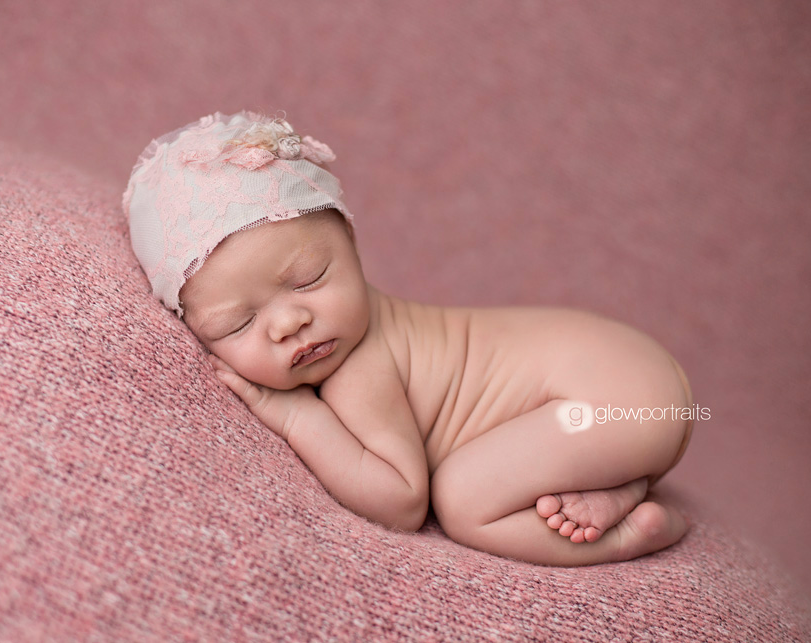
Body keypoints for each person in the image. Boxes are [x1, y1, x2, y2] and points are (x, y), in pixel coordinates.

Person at [124, 111, 694, 566]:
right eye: (238, 325)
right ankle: (620, 481)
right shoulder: (350, 332)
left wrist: (295, 415)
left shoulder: (358, 367)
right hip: (628, 385)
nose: (288, 323)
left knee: (463, 499)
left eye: (309, 279)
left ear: (351, 240)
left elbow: (401, 500)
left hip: (611, 399)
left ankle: (623, 537)